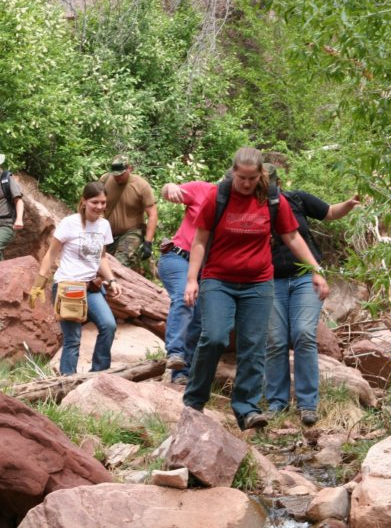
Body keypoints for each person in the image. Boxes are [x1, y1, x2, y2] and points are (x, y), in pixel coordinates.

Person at [182, 147, 330, 430]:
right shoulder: (218, 196)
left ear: (260, 174)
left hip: (259, 283)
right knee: (214, 337)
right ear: (233, 173)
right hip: (218, 280)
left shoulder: (272, 198)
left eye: (252, 178)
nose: (247, 184)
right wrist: (192, 279)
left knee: (253, 346)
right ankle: (195, 400)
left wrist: (316, 270)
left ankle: (247, 409)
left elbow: (292, 236)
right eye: (242, 178)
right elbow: (200, 240)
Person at [265, 164, 360, 425]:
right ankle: (277, 403)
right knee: (274, 339)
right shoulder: (250, 210)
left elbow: (329, 212)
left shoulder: (296, 199)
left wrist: (349, 204)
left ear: (279, 182)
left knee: (304, 334)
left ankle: (308, 404)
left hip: (305, 277)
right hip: (270, 281)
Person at [28, 181, 122, 375]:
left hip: (91, 287)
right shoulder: (69, 223)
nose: (100, 207)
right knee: (73, 338)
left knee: (109, 326)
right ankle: (67, 380)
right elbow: (51, 254)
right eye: (95, 202)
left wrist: (111, 280)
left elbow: (101, 257)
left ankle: (99, 374)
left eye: (103, 202)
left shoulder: (104, 225)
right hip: (68, 286)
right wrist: (39, 284)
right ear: (84, 201)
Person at [157, 180, 214, 385]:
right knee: (184, 296)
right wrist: (169, 187)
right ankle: (175, 353)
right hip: (177, 257)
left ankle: (182, 373)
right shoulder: (204, 190)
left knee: (198, 317)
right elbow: (166, 192)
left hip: (205, 268)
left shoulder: (239, 208)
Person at [98, 155, 158, 269]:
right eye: (115, 175)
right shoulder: (105, 180)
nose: (118, 178)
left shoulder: (141, 186)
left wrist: (148, 242)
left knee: (121, 262)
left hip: (131, 232)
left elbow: (152, 214)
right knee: (100, 265)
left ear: (129, 169)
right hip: (107, 232)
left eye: (121, 174)